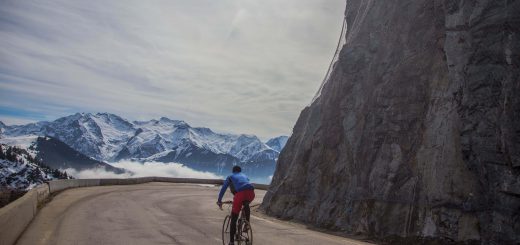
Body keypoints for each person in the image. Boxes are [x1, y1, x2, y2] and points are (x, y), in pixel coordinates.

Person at [217, 165, 255, 244]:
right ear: (240, 171)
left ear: (233, 171)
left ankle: (231, 242)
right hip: (251, 193)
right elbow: (246, 184)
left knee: (234, 218)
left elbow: (223, 188)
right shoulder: (245, 176)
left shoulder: (230, 176)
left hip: (240, 194)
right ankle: (246, 223)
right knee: (245, 204)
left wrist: (219, 200)